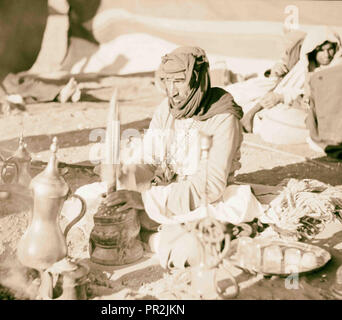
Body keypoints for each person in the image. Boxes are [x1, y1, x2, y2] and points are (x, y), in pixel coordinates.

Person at [68, 46, 263, 267]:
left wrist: (144, 201)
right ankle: (143, 234)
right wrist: (124, 173)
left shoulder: (223, 118)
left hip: (204, 200)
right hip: (163, 191)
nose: (172, 91)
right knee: (87, 198)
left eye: (179, 81)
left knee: (191, 246)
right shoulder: (167, 108)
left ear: (198, 78)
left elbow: (209, 186)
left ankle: (150, 239)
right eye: (166, 81)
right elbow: (149, 160)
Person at [238, 27, 342, 145]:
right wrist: (275, 76)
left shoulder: (335, 71)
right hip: (288, 103)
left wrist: (283, 97)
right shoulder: (306, 66)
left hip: (314, 114)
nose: (327, 55)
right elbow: (283, 87)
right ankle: (251, 116)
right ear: (313, 50)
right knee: (246, 98)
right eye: (321, 51)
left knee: (275, 121)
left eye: (330, 49)